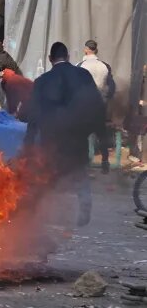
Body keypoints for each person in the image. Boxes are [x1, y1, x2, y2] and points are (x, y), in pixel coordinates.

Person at [24, 42, 106, 227]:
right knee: (79, 172)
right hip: (77, 136)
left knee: (48, 174)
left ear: (50, 59)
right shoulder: (83, 75)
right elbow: (96, 105)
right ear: (68, 56)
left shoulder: (42, 81)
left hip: (52, 139)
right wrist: (102, 135)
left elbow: (33, 115)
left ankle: (48, 214)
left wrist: (28, 144)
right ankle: (84, 209)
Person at [77, 39, 116, 172]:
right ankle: (105, 162)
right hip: (100, 105)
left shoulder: (80, 65)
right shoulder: (105, 66)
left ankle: (83, 163)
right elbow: (112, 86)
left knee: (82, 135)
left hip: (85, 106)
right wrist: (106, 98)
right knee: (102, 134)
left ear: (86, 49)